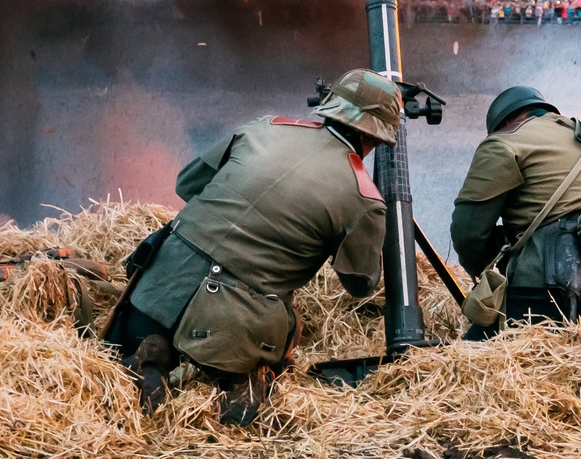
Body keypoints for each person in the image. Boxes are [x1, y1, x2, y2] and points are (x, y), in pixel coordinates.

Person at [106, 69, 399, 423]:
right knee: (278, 339)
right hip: (234, 327)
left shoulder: (265, 127)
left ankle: (153, 354)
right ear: (379, 138)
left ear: (328, 105)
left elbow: (186, 184)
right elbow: (360, 283)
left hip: (157, 292)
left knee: (136, 337)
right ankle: (241, 382)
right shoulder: (363, 196)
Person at [449, 84, 581, 333]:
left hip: (540, 293)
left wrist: (486, 269)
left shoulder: (504, 143)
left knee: (473, 358)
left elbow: (468, 233)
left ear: (504, 122)